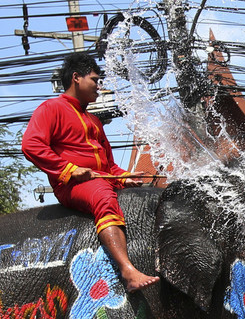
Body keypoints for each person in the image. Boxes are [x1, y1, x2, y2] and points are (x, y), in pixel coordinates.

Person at [22, 52, 158, 292]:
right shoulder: (51, 108)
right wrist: (70, 170)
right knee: (103, 196)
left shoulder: (94, 121)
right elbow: (31, 145)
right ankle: (128, 272)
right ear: (76, 78)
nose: (99, 86)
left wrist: (125, 176)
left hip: (102, 180)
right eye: (95, 80)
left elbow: (109, 166)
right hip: (72, 186)